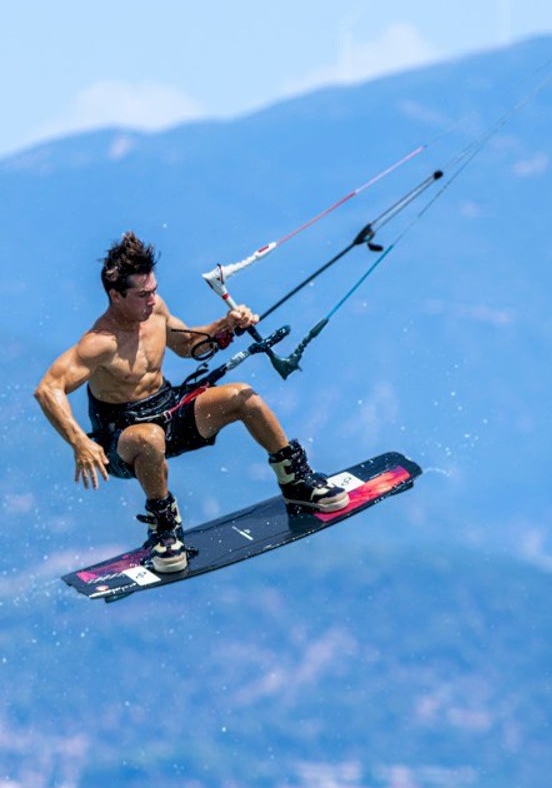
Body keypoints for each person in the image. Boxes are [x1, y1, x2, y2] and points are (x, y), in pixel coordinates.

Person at [34, 231, 349, 574]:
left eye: (153, 290)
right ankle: (164, 531)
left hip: (168, 410)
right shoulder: (100, 342)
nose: (152, 300)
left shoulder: (155, 311)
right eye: (142, 295)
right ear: (116, 295)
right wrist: (80, 443)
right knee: (149, 437)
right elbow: (48, 389)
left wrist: (227, 325)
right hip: (123, 440)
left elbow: (189, 346)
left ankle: (296, 484)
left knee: (243, 397)